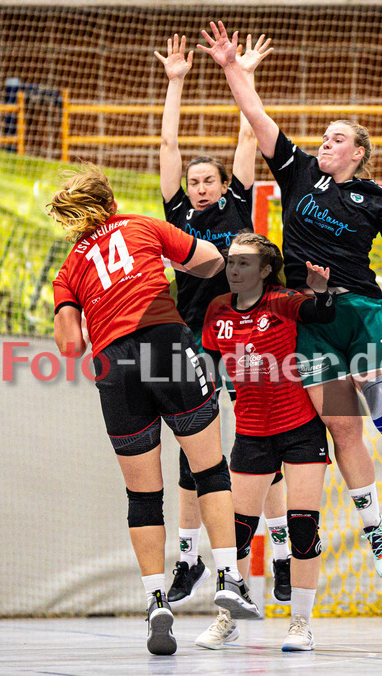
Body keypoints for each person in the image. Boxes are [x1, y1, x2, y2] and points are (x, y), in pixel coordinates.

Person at [199, 22, 382, 578]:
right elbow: (258, 117)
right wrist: (230, 69)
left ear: (358, 152)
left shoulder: (374, 197)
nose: (325, 142)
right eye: (324, 136)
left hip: (360, 314)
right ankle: (374, 526)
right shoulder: (298, 173)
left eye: (337, 138)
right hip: (309, 318)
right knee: (342, 426)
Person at [50, 164, 260, 656]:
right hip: (164, 344)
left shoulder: (68, 269)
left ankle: (155, 601)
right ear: (111, 200)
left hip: (113, 366)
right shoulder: (143, 225)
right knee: (210, 470)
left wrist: (87, 304)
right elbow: (210, 259)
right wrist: (183, 266)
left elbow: (68, 345)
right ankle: (229, 577)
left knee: (143, 496)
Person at [155, 32, 292, 607]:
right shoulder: (179, 212)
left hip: (248, 332)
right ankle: (188, 558)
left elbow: (247, 131)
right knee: (196, 444)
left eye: (208, 179)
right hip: (194, 334)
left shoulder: (237, 200)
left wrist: (243, 73)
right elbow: (167, 143)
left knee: (264, 439)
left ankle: (283, 555)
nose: (201, 186)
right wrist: (176, 81)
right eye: (194, 180)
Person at [196, 232, 335, 651]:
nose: (234, 269)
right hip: (252, 432)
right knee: (235, 531)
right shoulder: (217, 310)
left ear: (264, 270)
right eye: (231, 262)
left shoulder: (283, 301)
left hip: (300, 427)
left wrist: (323, 292)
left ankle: (300, 625)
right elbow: (207, 370)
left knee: (303, 528)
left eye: (243, 262)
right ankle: (227, 617)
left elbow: (322, 314)